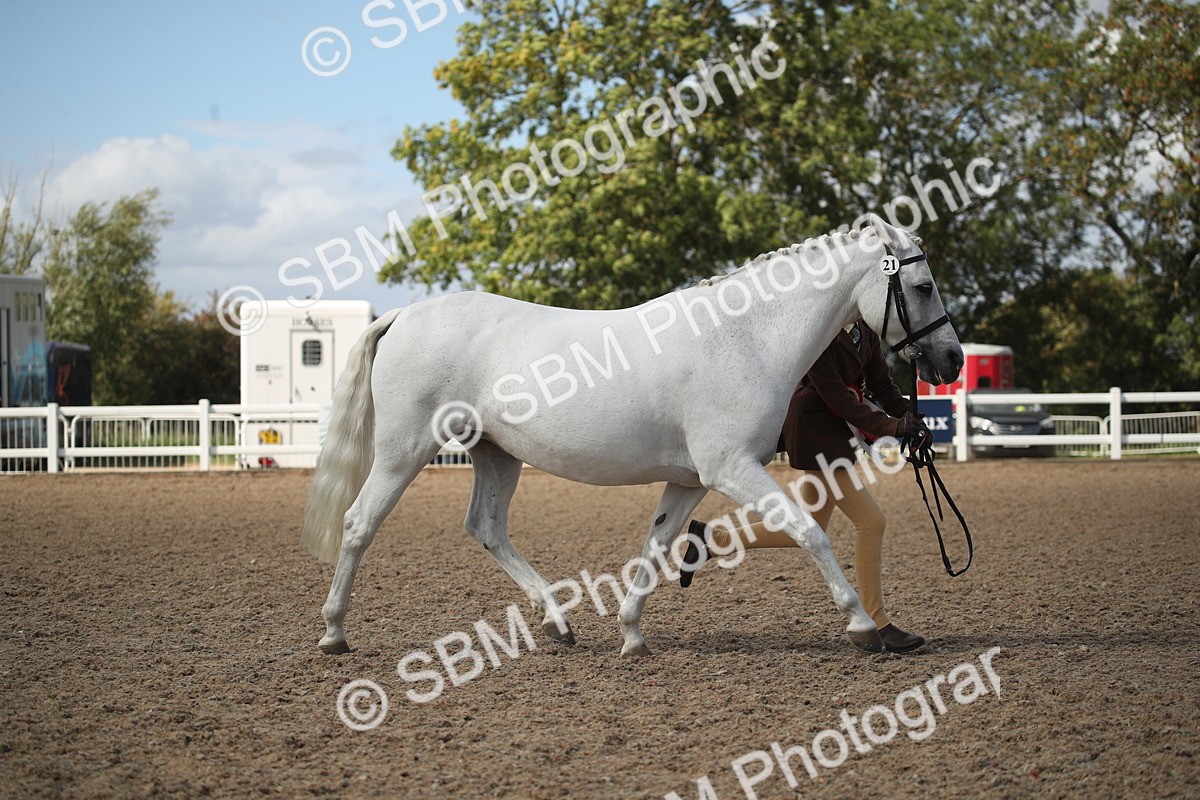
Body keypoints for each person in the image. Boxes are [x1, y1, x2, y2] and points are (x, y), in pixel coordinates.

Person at [680, 319, 930, 653]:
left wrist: (913, 420)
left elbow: (882, 386)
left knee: (808, 526)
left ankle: (711, 540)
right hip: (815, 433)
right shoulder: (820, 333)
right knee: (871, 522)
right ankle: (877, 621)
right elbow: (839, 399)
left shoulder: (865, 333)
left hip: (836, 433)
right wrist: (893, 426)